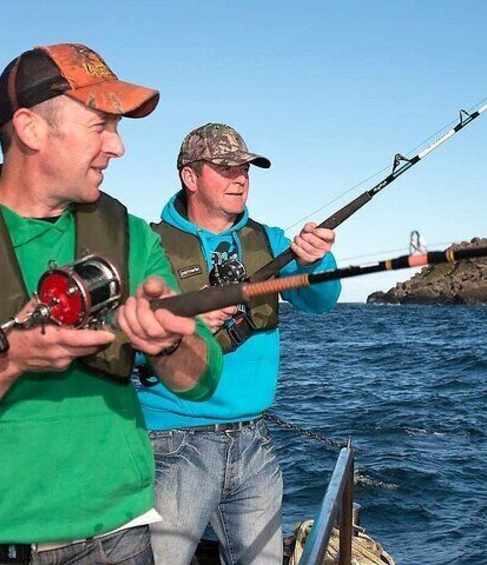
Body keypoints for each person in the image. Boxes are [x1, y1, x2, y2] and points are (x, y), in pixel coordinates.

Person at [0, 44, 223, 565]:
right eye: (101, 125)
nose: (118, 147)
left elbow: (203, 381)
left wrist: (170, 343)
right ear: (31, 129)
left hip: (117, 543)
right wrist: (2, 363)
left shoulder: (135, 239)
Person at [137, 123, 341, 564]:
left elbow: (319, 300)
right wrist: (181, 320)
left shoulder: (271, 242)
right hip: (172, 444)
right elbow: (125, 340)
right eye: (226, 168)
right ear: (190, 177)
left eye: (245, 169)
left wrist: (317, 259)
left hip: (255, 444)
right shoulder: (147, 245)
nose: (241, 178)